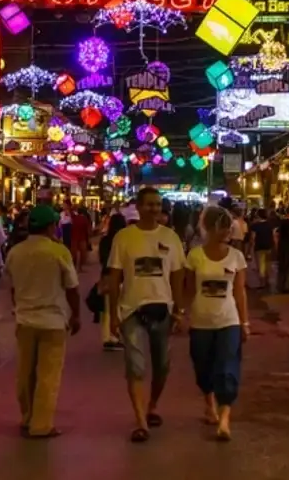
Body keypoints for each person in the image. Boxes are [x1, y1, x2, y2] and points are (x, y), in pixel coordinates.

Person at [107, 187, 185, 443]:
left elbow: (178, 276)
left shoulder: (171, 238)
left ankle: (152, 405)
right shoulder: (124, 238)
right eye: (149, 204)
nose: (154, 209)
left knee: (162, 366)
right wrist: (113, 314)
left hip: (163, 310)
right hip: (132, 310)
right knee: (136, 366)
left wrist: (179, 310)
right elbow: (114, 277)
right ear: (139, 207)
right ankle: (141, 421)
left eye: (158, 204)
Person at [5, 205, 81, 439]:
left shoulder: (15, 252)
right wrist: (76, 315)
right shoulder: (59, 252)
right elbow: (72, 288)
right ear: (51, 227)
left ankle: (27, 417)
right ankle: (41, 425)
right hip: (53, 321)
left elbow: (12, 286)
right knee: (48, 376)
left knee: (25, 373)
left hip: (25, 320)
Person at [182, 207, 249, 441]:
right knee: (203, 366)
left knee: (227, 367)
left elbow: (240, 293)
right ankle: (209, 403)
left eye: (228, 227)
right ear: (209, 228)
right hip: (201, 321)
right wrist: (181, 314)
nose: (227, 232)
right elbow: (189, 289)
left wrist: (244, 322)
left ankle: (224, 417)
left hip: (228, 321)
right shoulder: (195, 256)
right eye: (223, 227)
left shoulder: (236, 257)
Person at [98, 213, 128, 351]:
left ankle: (108, 337)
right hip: (122, 277)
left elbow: (102, 259)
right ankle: (116, 336)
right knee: (121, 307)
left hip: (107, 276)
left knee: (107, 309)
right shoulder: (124, 241)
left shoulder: (105, 240)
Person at [250, 209, 275, 288]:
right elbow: (273, 236)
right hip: (269, 246)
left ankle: (262, 282)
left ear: (258, 215)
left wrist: (251, 247)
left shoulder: (255, 226)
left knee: (261, 265)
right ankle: (268, 280)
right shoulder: (270, 225)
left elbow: (253, 238)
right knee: (268, 264)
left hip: (259, 247)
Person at [273, 212, 289, 292]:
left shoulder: (282, 222)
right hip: (288, 246)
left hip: (282, 246)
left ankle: (280, 286)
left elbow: (276, 235)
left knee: (282, 266)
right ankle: (288, 286)